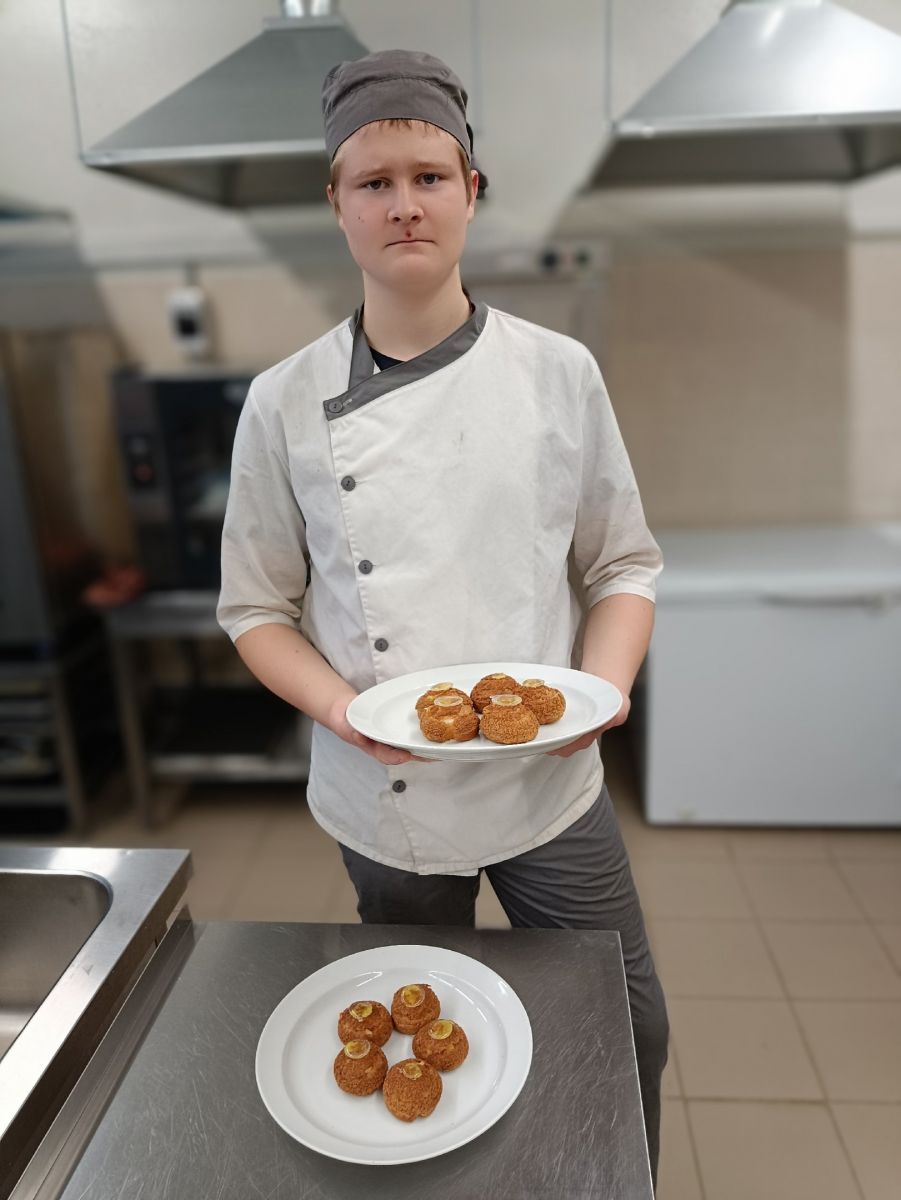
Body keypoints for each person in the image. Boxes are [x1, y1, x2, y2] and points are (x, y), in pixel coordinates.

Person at [218, 48, 668, 1186]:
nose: (404, 204)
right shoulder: (282, 402)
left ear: (471, 190)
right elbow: (256, 608)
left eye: (428, 176)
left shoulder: (557, 373)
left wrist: (602, 695)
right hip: (388, 799)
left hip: (549, 784)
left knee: (629, 1028)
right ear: (336, 204)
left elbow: (622, 563)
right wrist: (344, 712)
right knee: (422, 1045)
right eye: (373, 182)